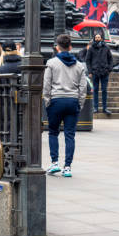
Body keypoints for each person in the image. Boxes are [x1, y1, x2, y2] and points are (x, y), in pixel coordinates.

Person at [43, 34, 87, 178]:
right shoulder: (79, 66)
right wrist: (79, 103)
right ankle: (67, 166)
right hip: (72, 101)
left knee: (53, 132)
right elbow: (83, 87)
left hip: (56, 100)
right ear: (70, 47)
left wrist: (48, 100)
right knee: (70, 135)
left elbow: (46, 85)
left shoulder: (51, 63)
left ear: (57, 47)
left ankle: (54, 162)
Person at [85, 33, 113, 114]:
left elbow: (110, 59)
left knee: (104, 90)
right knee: (95, 90)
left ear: (101, 38)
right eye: (96, 37)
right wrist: (90, 71)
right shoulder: (91, 48)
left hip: (104, 72)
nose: (97, 38)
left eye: (99, 37)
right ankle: (95, 108)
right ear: (94, 38)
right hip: (95, 72)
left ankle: (105, 108)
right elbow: (88, 60)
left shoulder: (106, 47)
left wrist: (109, 69)